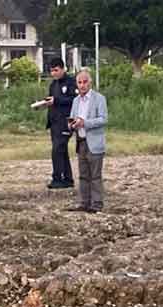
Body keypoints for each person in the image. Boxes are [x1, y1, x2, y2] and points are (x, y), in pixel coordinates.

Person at [68, 70, 108, 214]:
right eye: (79, 82)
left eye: (85, 82)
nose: (82, 85)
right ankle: (84, 203)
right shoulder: (75, 101)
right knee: (83, 175)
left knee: (95, 176)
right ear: (77, 84)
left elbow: (103, 119)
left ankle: (97, 204)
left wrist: (85, 123)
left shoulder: (99, 99)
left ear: (90, 82)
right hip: (81, 141)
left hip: (94, 142)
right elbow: (72, 118)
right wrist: (71, 125)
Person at [43, 58, 76, 190]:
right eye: (51, 71)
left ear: (63, 69)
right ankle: (68, 178)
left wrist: (56, 100)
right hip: (54, 122)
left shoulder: (71, 83)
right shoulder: (53, 85)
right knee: (62, 151)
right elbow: (52, 100)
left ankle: (57, 178)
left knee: (57, 150)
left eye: (56, 70)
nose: (54, 73)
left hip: (66, 121)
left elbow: (74, 99)